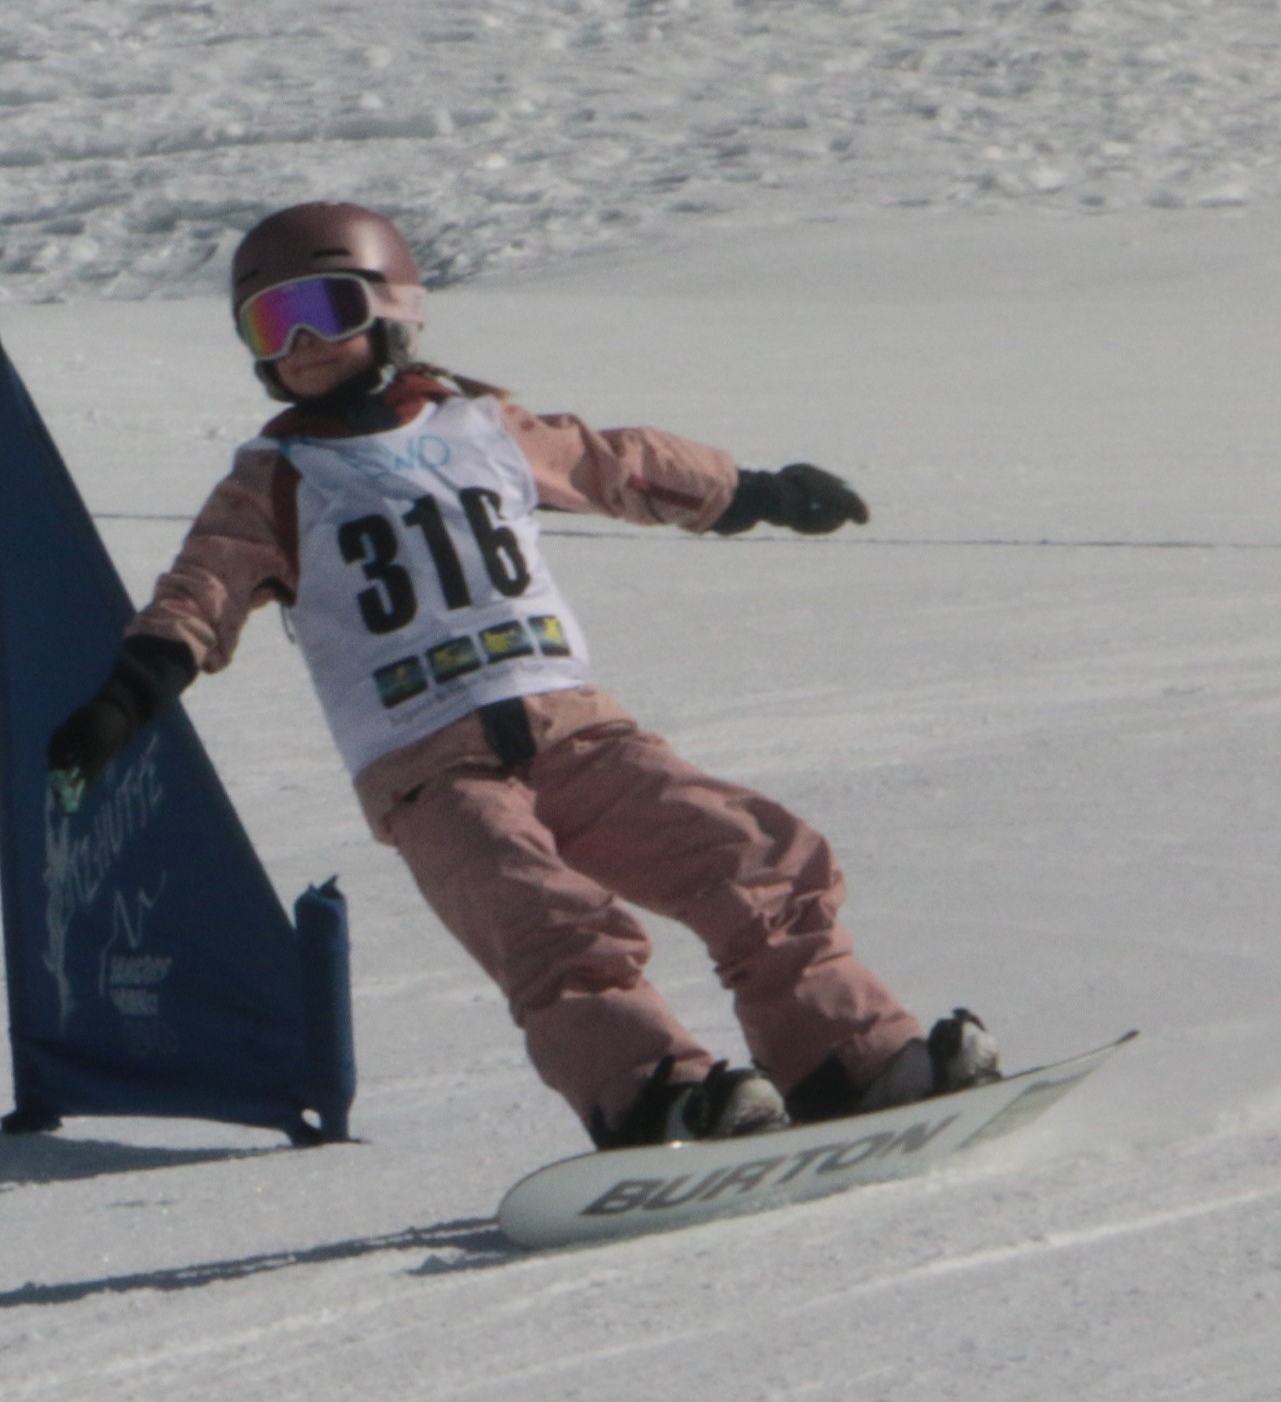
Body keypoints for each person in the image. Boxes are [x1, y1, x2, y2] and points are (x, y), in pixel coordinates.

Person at [48, 202, 998, 1148]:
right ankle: (657, 1094)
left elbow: (618, 465)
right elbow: (200, 593)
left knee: (753, 859)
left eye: (322, 311)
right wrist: (127, 699)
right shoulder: (273, 479)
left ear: (391, 307)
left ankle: (852, 1060)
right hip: (426, 764)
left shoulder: (483, 426)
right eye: (270, 324)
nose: (299, 345)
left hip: (572, 725)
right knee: (547, 923)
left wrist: (754, 493)